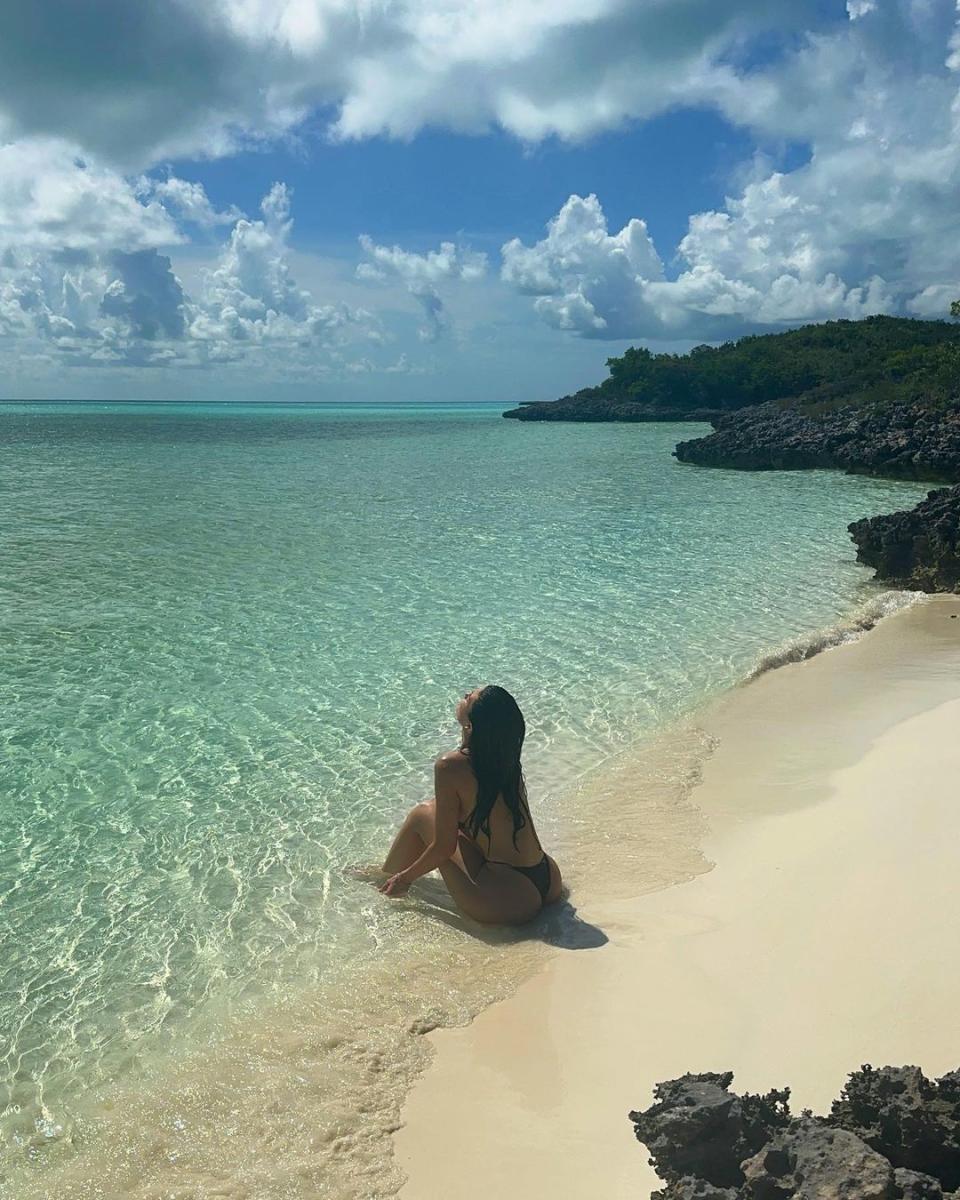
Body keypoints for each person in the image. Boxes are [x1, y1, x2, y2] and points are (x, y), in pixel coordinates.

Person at [379, 685, 562, 924]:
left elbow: (444, 847)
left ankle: (386, 881)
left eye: (470, 699)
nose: (465, 695)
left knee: (422, 815)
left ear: (471, 725)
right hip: (548, 879)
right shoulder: (505, 758)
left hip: (510, 899)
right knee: (440, 810)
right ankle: (388, 876)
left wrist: (406, 878)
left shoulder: (449, 766)